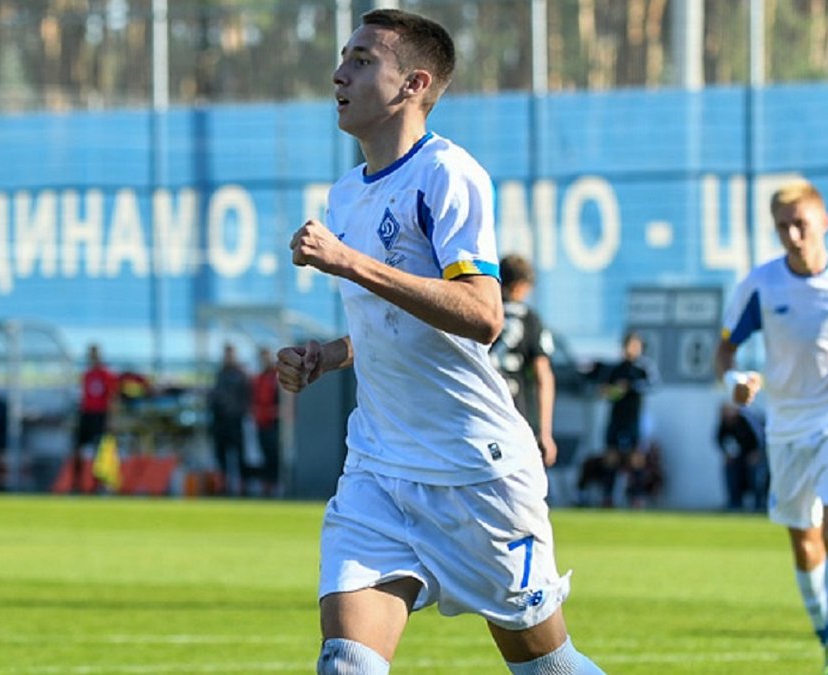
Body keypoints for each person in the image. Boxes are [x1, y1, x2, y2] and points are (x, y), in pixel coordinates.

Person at [276, 10, 602, 674]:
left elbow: (483, 314)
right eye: (343, 57)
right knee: (346, 662)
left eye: (362, 60)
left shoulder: (447, 174)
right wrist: (330, 355)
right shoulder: (347, 193)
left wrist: (348, 262)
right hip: (379, 466)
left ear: (414, 84)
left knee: (546, 666)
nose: (339, 74)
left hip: (473, 471)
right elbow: (391, 320)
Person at [715, 180, 828, 675]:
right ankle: (826, 637)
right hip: (787, 427)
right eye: (782, 227)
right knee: (804, 541)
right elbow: (725, 350)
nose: (793, 235)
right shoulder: (761, 284)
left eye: (801, 224)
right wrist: (735, 382)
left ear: (824, 222)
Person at [491, 254, 557, 467]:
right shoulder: (529, 319)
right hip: (515, 413)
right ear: (521, 286)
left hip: (480, 408)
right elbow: (543, 375)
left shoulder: (481, 311)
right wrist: (545, 432)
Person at [596, 331, 658, 507]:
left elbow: (653, 385)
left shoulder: (642, 369)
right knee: (611, 457)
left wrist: (630, 387)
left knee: (636, 457)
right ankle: (607, 497)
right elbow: (603, 390)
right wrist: (612, 391)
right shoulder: (615, 369)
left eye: (636, 346)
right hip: (616, 418)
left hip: (634, 418)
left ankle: (636, 496)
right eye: (630, 345)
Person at [68, 344, 119, 492]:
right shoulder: (86, 375)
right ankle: (77, 483)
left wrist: (111, 419)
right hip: (86, 414)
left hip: (100, 415)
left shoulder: (107, 375)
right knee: (77, 448)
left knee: (100, 451)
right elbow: (83, 397)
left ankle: (100, 484)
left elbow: (112, 397)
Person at [208, 343, 251, 496]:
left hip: (235, 420)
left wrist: (237, 411)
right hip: (220, 421)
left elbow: (246, 397)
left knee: (239, 454)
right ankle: (223, 487)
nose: (228, 357)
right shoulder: (220, 373)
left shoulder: (241, 374)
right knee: (221, 455)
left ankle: (242, 487)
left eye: (230, 354)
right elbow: (215, 395)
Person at [715, 402, 767, 511]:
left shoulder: (747, 420)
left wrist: (757, 453)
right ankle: (735, 503)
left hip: (756, 455)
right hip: (739, 457)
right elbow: (720, 440)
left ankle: (759, 503)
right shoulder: (724, 423)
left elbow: (761, 436)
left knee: (756, 474)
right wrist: (727, 454)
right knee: (729, 469)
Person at [250, 346, 282, 497]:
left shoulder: (277, 376)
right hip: (261, 422)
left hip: (274, 422)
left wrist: (276, 411)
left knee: (274, 453)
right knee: (264, 454)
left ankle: (275, 484)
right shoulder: (259, 378)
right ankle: (267, 484)